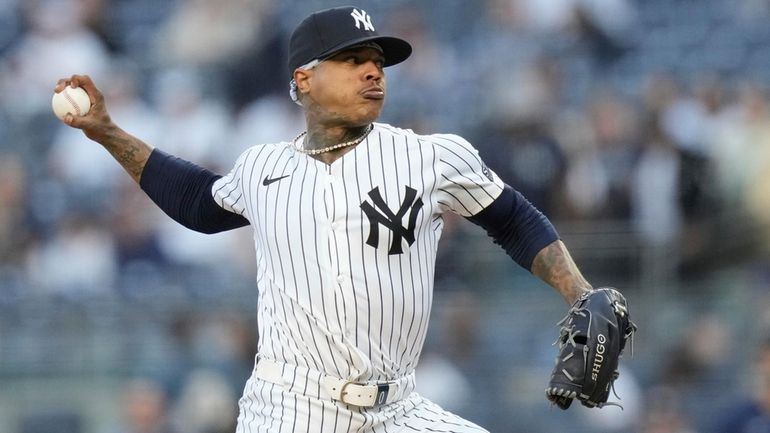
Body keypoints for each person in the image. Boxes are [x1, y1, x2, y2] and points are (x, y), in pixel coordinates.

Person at [55, 5, 608, 432]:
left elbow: (512, 219)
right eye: (352, 60)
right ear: (303, 80)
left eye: (378, 61)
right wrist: (107, 131)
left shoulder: (433, 156)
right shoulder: (262, 166)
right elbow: (199, 204)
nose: (373, 71)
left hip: (399, 409)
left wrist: (580, 293)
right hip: (290, 407)